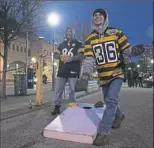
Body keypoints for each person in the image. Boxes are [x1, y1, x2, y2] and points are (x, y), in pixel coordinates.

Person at [77, 8, 145, 146]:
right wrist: (85, 74)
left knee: (111, 100)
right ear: (92, 19)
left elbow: (126, 50)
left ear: (105, 17)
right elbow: (89, 59)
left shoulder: (116, 32)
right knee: (109, 101)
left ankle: (104, 133)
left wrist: (132, 53)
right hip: (103, 76)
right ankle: (119, 115)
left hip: (116, 73)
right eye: (95, 15)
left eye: (100, 15)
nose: (97, 17)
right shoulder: (89, 38)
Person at [51, 27, 84, 115]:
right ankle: (57, 107)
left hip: (73, 70)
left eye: (70, 31)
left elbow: (81, 56)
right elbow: (55, 54)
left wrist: (71, 59)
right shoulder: (62, 44)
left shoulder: (79, 44)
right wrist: (60, 56)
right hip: (62, 70)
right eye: (67, 31)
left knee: (72, 90)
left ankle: (72, 107)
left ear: (73, 33)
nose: (68, 33)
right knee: (58, 90)